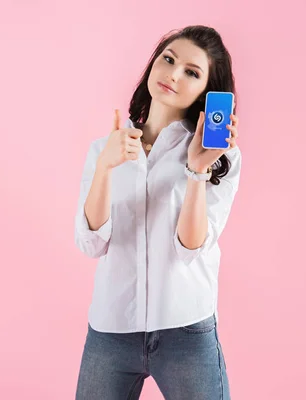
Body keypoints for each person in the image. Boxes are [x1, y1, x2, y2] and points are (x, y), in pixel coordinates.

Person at [74, 25, 241, 400]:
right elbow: (91, 243)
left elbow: (190, 248)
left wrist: (197, 169)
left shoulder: (222, 158)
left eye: (192, 72)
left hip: (185, 330)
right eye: (168, 59)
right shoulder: (106, 147)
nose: (173, 74)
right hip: (111, 328)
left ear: (208, 92)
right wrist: (105, 168)